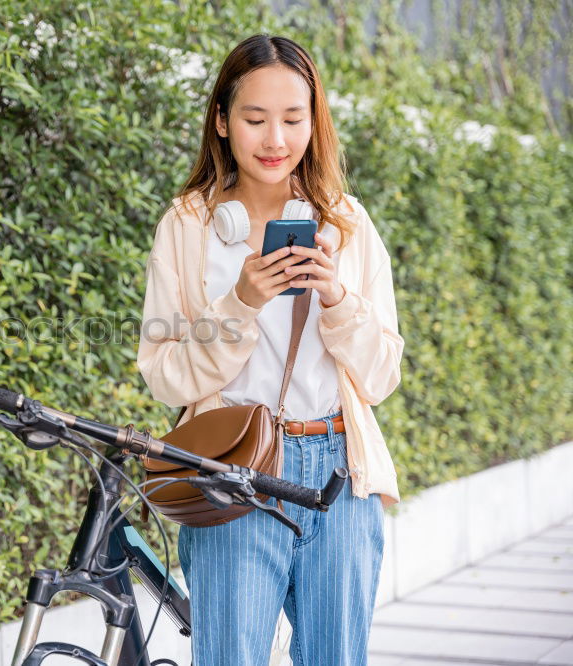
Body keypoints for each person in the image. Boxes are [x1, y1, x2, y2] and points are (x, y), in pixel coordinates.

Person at [136, 34, 406, 665]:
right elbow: (165, 375)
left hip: (339, 473)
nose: (275, 140)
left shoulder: (346, 224)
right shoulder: (189, 225)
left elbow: (383, 373)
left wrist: (337, 297)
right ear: (224, 123)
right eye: (255, 119)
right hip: (233, 472)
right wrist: (241, 303)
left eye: (293, 119)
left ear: (316, 123)